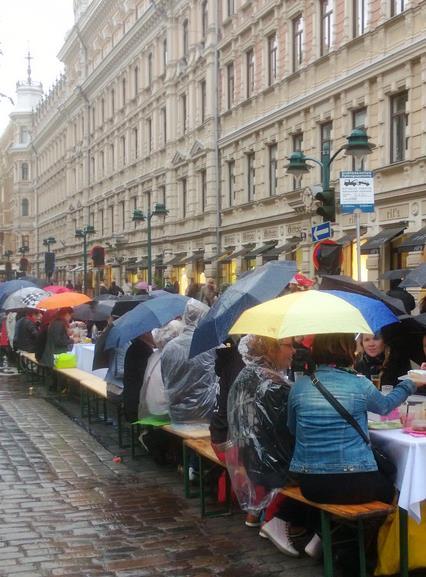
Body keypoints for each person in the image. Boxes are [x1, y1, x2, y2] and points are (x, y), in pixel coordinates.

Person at [287, 333, 420, 507]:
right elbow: (385, 406)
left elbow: (292, 429)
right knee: (395, 488)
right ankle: (374, 533)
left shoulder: (299, 387)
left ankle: (333, 533)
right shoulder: (359, 384)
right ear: (347, 350)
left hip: (312, 485)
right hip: (356, 481)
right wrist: (411, 383)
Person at [226, 334, 299, 556]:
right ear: (271, 350)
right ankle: (279, 520)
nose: (294, 351)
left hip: (251, 461)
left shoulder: (246, 375)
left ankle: (263, 514)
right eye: (289, 345)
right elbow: (291, 433)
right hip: (275, 468)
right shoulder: (274, 386)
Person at [161, 299, 218, 423]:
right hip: (205, 411)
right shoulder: (210, 345)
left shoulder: (169, 347)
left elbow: (165, 378)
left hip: (177, 413)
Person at [123, 333, 154, 422]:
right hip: (138, 403)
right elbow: (147, 377)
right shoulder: (143, 350)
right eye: (151, 332)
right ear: (145, 334)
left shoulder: (134, 347)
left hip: (130, 398)